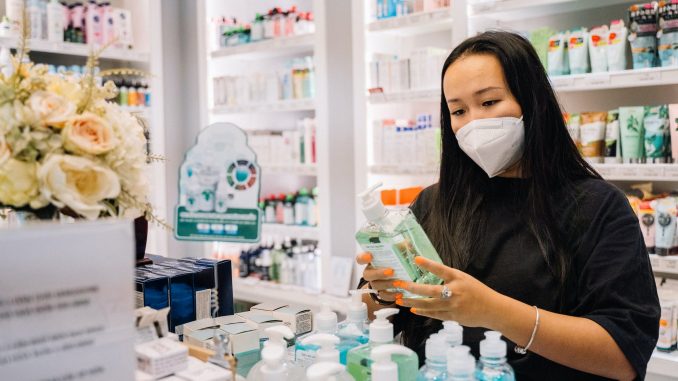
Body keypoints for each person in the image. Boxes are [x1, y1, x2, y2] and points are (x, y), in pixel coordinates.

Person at [356, 31, 660, 381]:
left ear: (532, 101)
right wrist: (381, 292)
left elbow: (624, 355)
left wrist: (493, 311)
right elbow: (387, 315)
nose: (472, 123)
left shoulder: (599, 207)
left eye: (488, 103)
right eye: (458, 110)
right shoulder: (435, 203)